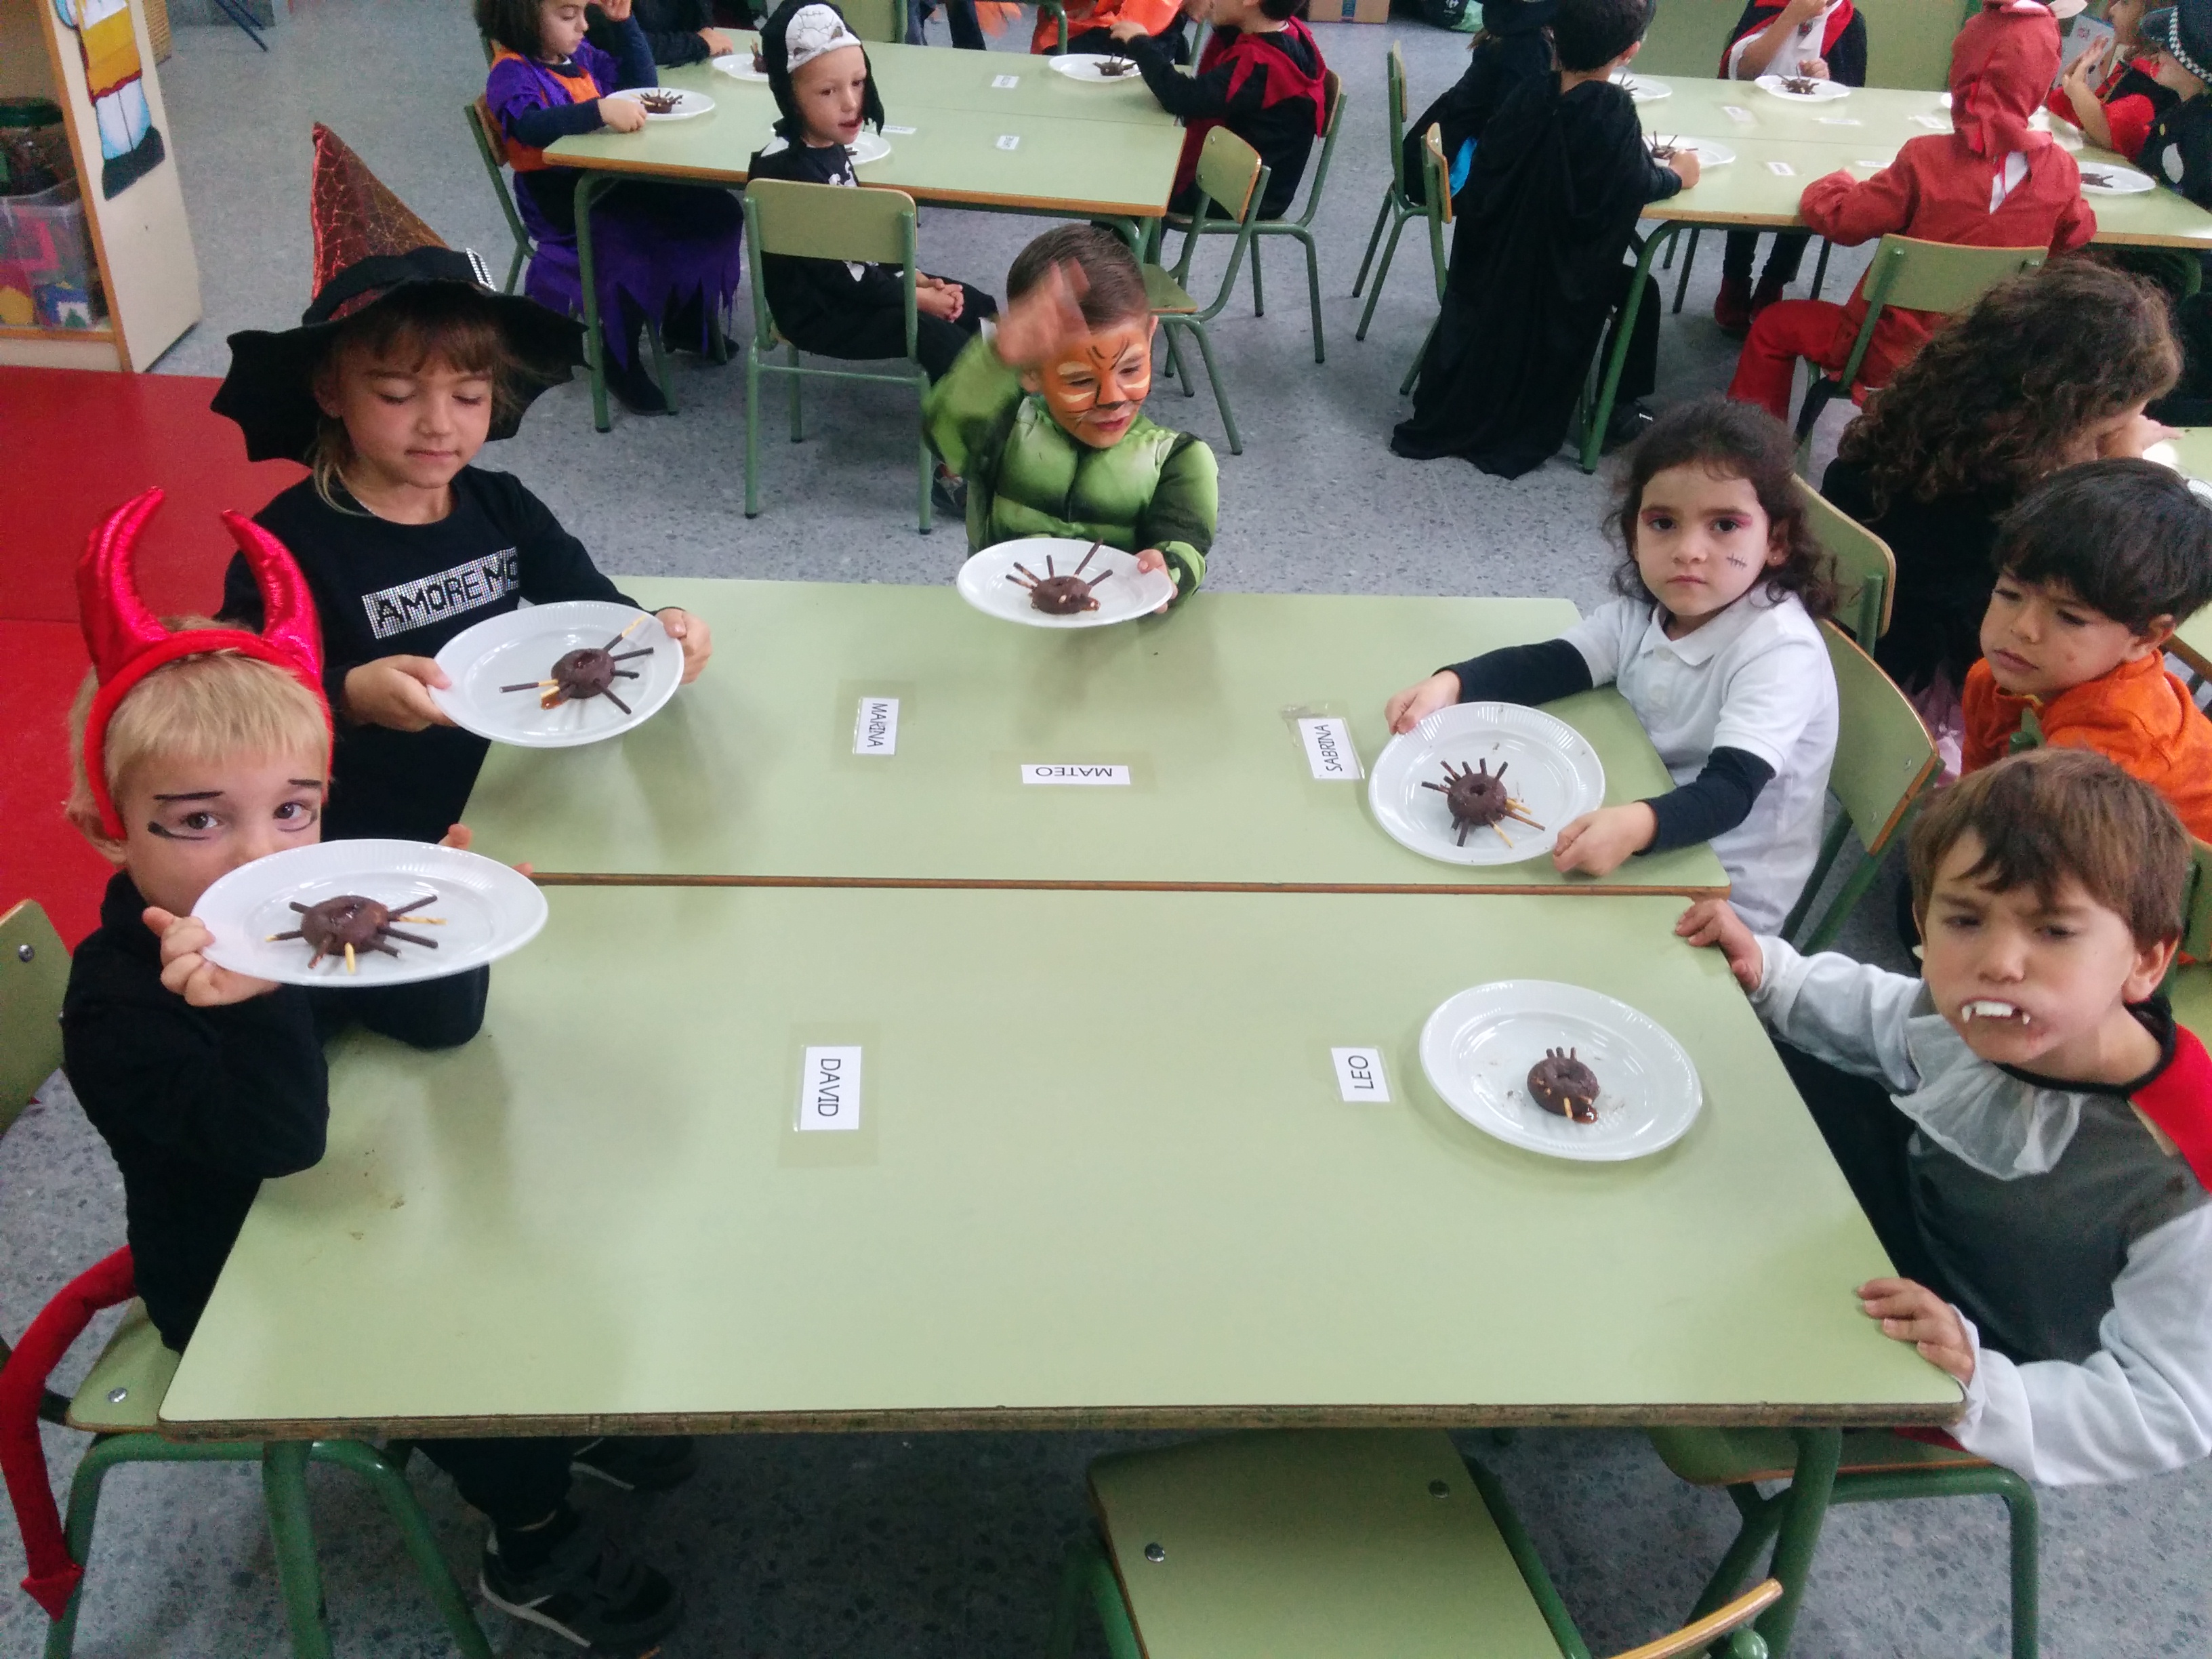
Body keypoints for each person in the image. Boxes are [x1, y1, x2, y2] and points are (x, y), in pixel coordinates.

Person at [56, 499, 691, 1649]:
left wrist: (441, 922)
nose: (257, 855)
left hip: (344, 1203)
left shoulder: (291, 906)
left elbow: (439, 1030)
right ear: (108, 829)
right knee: (464, 1327)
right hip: (235, 1273)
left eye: (292, 811)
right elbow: (279, 1142)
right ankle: (529, 1531)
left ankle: (547, 1425)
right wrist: (259, 1001)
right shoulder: (116, 1004)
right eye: (197, 822)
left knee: (538, 1219)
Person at [1678, 747, 2212, 1486]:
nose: (1999, 963)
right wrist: (1773, 972)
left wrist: (1979, 1380)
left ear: (2146, 963)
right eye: (1965, 919)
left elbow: (2168, 1408)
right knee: (1741, 1071)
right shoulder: (2006, 1013)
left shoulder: (2184, 1171)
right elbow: (1893, 1017)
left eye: (2054, 932)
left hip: (1984, 1352)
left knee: (1710, 1280)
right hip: (1923, 1215)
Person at [210, 126, 714, 848]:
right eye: (396, 395)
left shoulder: (501, 507)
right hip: (369, 823)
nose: (439, 425)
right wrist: (349, 695)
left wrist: (663, 631)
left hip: (512, 788)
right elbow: (235, 703)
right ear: (330, 390)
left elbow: (599, 609)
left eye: (470, 396)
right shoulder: (284, 545)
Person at [1385, 398, 1838, 933]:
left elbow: (1730, 793)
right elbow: (1557, 663)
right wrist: (1454, 682)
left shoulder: (1779, 651)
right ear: (1634, 537)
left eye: (1724, 525)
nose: (1689, 550)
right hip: (1638, 803)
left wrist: (1638, 826)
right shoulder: (1647, 609)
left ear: (1776, 541)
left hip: (1722, 887)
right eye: (1663, 523)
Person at [1818, 260, 2179, 735]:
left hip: (1844, 645)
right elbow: (2101, 578)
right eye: (2103, 433)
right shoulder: (2011, 509)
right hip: (1934, 691)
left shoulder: (1921, 419)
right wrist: (2121, 469)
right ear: (2065, 415)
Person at [1726, 0, 2097, 423]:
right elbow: (2077, 234)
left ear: (1965, 70)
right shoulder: (2060, 171)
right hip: (1991, 354)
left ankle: (1751, 446)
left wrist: (1832, 183)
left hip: (1891, 352)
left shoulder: (1926, 160)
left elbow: (1843, 222)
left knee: (1773, 325)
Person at [1390, 0, 1699, 477]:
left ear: (1553, 36)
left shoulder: (1530, 93)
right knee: (1643, 290)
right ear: (1629, 52)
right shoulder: (1611, 112)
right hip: (1555, 282)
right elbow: (1634, 185)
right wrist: (1678, 175)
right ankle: (1620, 409)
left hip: (1493, 268)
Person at [924, 224, 1217, 603]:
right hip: (1004, 624)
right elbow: (945, 431)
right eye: (1080, 380)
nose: (1112, 399)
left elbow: (1186, 548)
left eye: (1130, 369)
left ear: (1150, 336)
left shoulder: (1176, 460)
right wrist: (995, 362)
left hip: (1116, 633)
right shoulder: (1006, 430)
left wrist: (1167, 569)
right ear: (1031, 371)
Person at [478, 0, 746, 413]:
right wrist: (598, 110)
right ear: (523, 20)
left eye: (583, 14)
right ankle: (618, 355)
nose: (584, 26)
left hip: (608, 184)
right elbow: (531, 127)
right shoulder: (511, 72)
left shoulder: (578, 55)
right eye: (568, 16)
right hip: (562, 202)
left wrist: (625, 23)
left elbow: (642, 84)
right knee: (633, 244)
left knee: (717, 210)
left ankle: (685, 317)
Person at [746, 0, 997, 405]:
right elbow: (838, 275)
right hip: (820, 312)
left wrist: (917, 279)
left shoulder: (827, 143)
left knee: (977, 304)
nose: (850, 102)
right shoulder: (784, 172)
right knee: (938, 335)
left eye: (858, 83)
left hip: (859, 285)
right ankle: (974, 434)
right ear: (790, 96)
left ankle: (1012, 391)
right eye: (828, 91)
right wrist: (918, 298)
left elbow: (860, 249)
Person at [1961, 459, 2212, 842]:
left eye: (2070, 617)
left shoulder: (2106, 750)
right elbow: (1970, 795)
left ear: (2145, 638)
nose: (2022, 628)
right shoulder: (1992, 679)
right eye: (2009, 594)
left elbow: (2042, 862)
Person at [1713, 0, 1870, 333]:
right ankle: (1735, 276)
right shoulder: (1767, 6)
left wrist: (1826, 78)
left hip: (1814, 138)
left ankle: (1775, 279)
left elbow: (1852, 98)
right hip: (1751, 128)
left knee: (1813, 195)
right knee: (1748, 193)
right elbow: (1742, 73)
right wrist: (1790, 17)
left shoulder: (1849, 21)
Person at [1108, 0, 1329, 222]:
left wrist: (1139, 42)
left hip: (1242, 192)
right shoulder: (1286, 32)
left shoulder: (1259, 64)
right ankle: (1127, 241)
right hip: (1248, 177)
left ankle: (1116, 244)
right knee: (1140, 167)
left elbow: (1182, 98)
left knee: (1127, 183)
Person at [1400, 0, 1557, 214]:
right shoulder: (1528, 50)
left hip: (1423, 159)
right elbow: (1510, 130)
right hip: (1448, 176)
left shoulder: (1503, 32)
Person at [2049, 0, 2174, 160]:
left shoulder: (2155, 81)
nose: (2112, 11)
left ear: (2153, 11)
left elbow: (2108, 133)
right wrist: (2071, 92)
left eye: (2125, 3)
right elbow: (2085, 127)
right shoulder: (2133, 67)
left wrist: (2077, 88)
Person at [585, 0, 737, 64]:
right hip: (614, 90)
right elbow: (618, 44)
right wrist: (698, 43)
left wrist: (702, 38)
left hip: (678, 78)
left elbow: (703, 28)